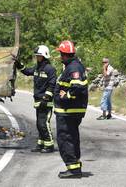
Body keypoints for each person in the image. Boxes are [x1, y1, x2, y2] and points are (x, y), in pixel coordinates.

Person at [54, 40, 88, 179]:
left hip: (68, 111)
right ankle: (75, 166)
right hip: (69, 110)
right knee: (72, 138)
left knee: (65, 139)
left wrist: (66, 96)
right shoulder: (73, 65)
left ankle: (73, 169)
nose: (60, 57)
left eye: (61, 54)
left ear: (65, 54)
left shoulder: (73, 67)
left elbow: (78, 86)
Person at [15, 45, 56, 153]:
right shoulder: (37, 68)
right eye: (37, 56)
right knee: (39, 124)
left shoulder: (50, 69)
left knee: (44, 124)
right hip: (38, 101)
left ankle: (49, 145)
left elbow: (52, 85)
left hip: (45, 102)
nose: (37, 58)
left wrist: (46, 98)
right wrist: (18, 65)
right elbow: (27, 71)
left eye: (39, 56)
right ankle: (41, 144)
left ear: (44, 56)